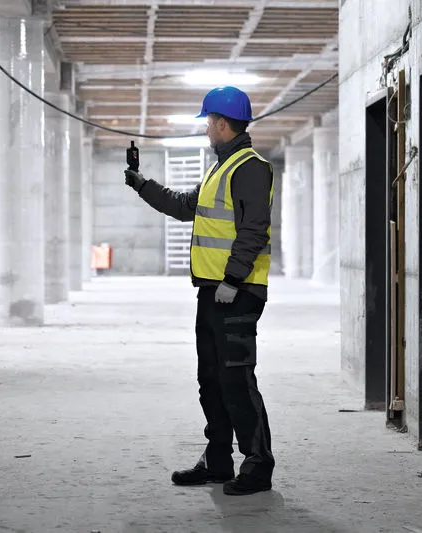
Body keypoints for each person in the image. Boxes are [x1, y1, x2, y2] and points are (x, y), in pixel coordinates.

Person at [124, 86, 275, 496]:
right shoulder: (220, 168)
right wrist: (142, 185)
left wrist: (232, 279)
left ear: (223, 124)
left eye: (208, 122)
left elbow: (254, 229)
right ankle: (218, 461)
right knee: (210, 379)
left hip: (237, 292)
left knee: (237, 380)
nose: (206, 129)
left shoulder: (250, 167)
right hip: (211, 293)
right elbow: (185, 205)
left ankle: (258, 465)